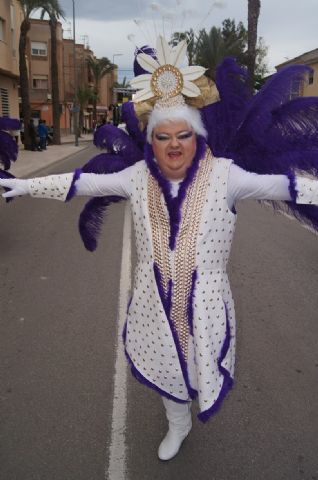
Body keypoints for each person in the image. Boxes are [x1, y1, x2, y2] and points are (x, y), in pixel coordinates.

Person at [0, 36, 318, 461]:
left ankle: (185, 411)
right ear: (151, 141)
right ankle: (177, 422)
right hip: (154, 299)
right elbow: (82, 183)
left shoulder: (227, 175)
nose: (173, 145)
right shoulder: (136, 177)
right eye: (163, 136)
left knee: (194, 364)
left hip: (204, 302)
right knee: (167, 365)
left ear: (196, 136)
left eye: (183, 135)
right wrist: (23, 185)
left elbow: (288, 185)